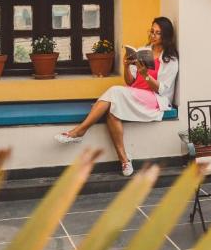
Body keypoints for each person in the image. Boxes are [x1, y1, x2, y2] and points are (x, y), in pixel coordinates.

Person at [55, 17, 179, 176]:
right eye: (152, 31)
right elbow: (130, 82)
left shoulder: (170, 60)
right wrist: (126, 66)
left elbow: (162, 90)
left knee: (114, 91)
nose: (153, 35)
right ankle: (125, 161)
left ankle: (79, 131)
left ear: (166, 36)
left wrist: (146, 75)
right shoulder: (144, 51)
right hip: (136, 95)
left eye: (158, 33)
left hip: (154, 99)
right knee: (112, 112)